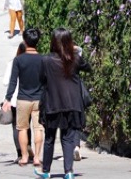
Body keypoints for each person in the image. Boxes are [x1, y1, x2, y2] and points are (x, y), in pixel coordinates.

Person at [36, 28, 91, 179]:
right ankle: (69, 171)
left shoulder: (46, 60)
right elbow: (88, 68)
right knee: (67, 138)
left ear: (53, 42)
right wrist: (77, 52)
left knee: (49, 138)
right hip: (72, 104)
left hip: (53, 103)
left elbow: (41, 80)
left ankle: (46, 171)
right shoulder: (75, 59)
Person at [2, 29, 44, 168]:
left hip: (23, 99)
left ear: (25, 41)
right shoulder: (43, 59)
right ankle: (37, 157)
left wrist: (8, 98)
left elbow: (13, 81)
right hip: (39, 99)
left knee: (22, 128)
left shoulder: (19, 60)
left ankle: (24, 156)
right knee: (38, 128)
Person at [3, 42, 34, 163]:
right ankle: (28, 147)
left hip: (15, 99)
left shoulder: (12, 62)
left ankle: (20, 153)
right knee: (27, 125)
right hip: (29, 97)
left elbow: (5, 82)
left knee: (17, 127)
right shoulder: (34, 62)